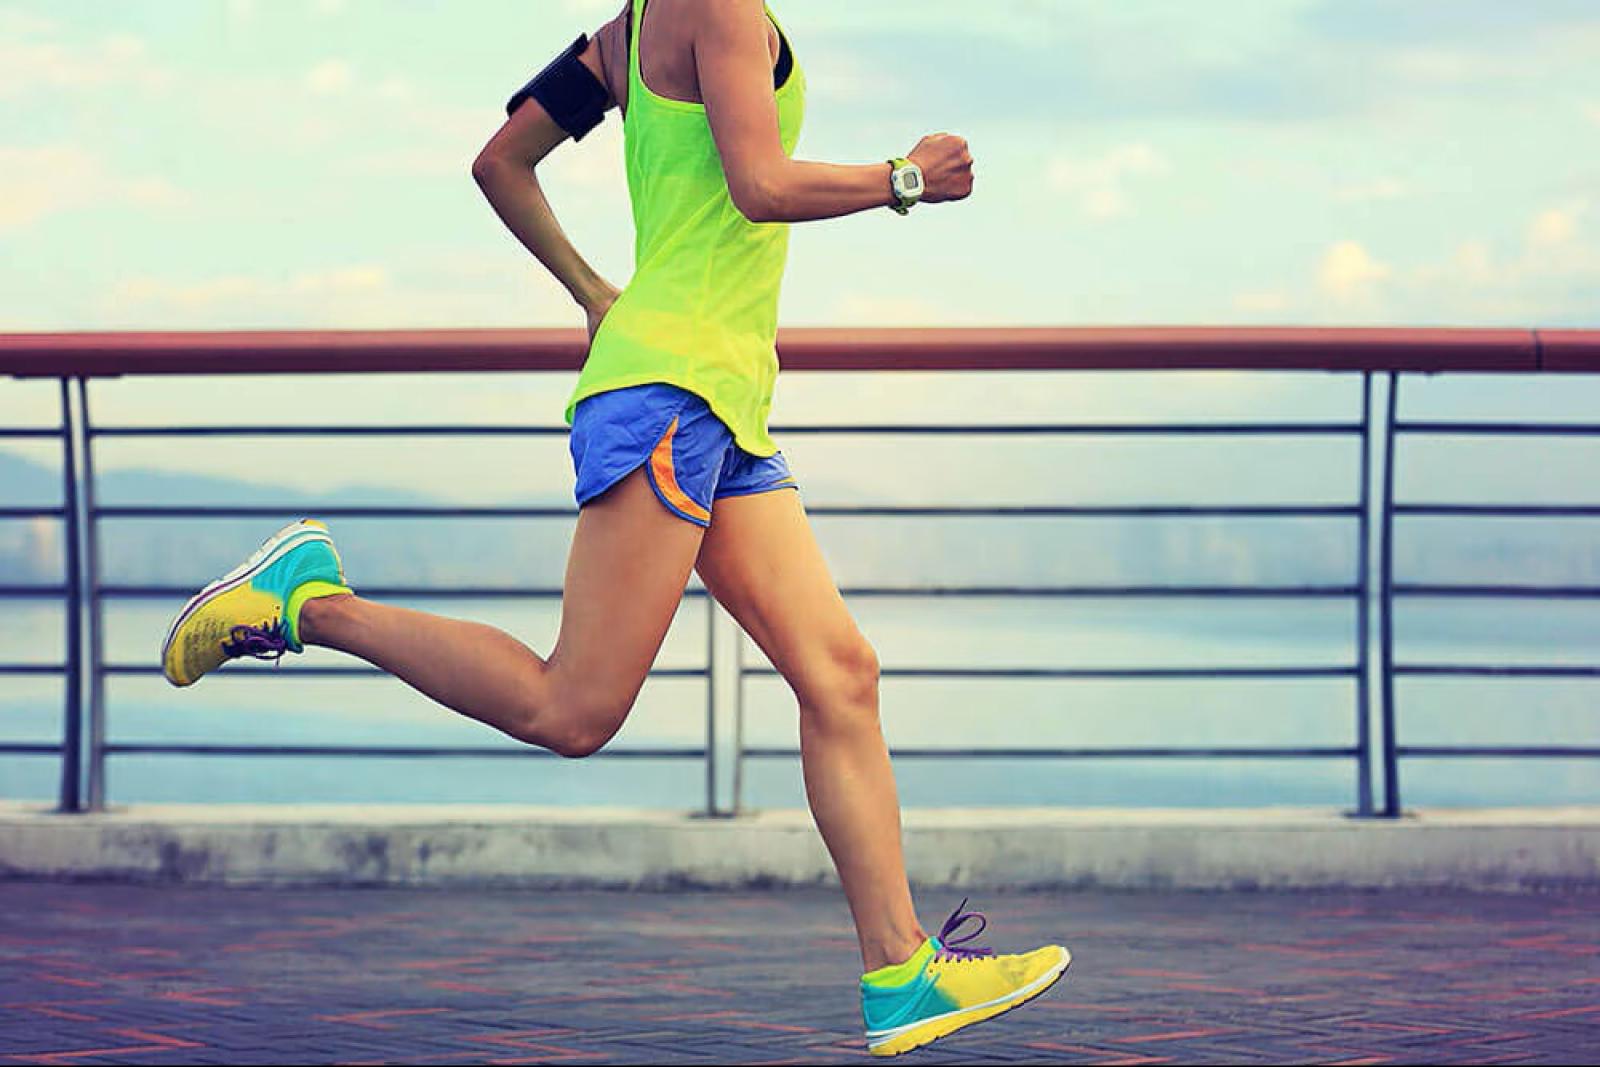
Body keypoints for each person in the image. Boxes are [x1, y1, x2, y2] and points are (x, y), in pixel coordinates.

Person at [160, 0, 1068, 1055]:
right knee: (573, 706)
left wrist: (598, 292)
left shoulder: (627, 31)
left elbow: (502, 160)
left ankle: (902, 970)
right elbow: (760, 185)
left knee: (840, 674)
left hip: (717, 400)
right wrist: (902, 178)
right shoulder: (719, 7)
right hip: (672, 398)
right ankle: (311, 601)